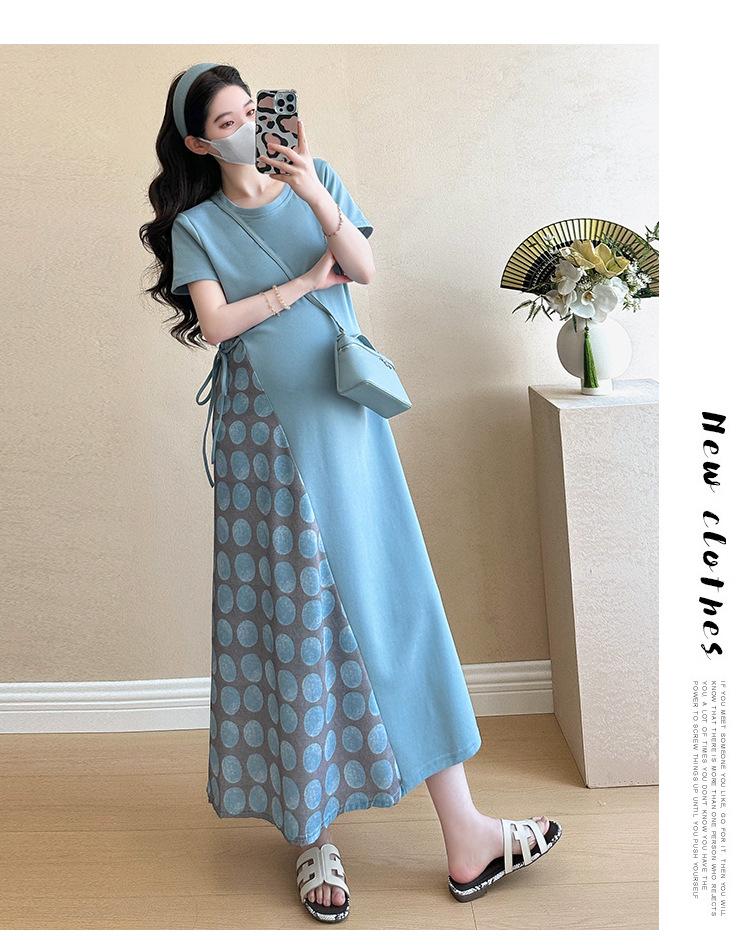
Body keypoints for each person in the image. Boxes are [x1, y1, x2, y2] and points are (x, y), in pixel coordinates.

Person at [140, 62, 561, 925]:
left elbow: (361, 266)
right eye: (227, 122)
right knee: (293, 623)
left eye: (251, 111)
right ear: (198, 143)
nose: (247, 128)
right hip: (266, 439)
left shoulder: (318, 177)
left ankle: (466, 832)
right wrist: (302, 284)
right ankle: (313, 837)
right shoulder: (198, 225)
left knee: (397, 605)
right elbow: (216, 324)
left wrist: (313, 194)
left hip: (347, 422)